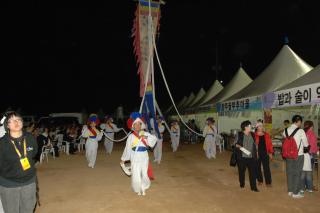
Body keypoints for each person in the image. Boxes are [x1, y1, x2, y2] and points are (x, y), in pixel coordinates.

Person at [0, 111, 38, 213]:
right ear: (7, 125)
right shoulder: (2, 143)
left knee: (28, 209)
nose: (16, 122)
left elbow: (34, 152)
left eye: (18, 119)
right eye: (12, 121)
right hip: (9, 184)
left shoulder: (30, 138)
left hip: (29, 182)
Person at [120, 112, 157, 196]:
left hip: (144, 156)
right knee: (136, 174)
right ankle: (138, 189)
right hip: (135, 156)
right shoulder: (131, 136)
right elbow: (127, 149)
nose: (137, 126)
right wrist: (123, 159)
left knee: (144, 173)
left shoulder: (145, 133)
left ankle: (143, 187)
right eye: (135, 124)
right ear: (132, 126)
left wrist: (146, 137)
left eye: (139, 124)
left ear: (141, 125)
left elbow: (154, 139)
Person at [283, 115, 309, 198]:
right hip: (298, 155)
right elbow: (306, 144)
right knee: (297, 173)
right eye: (300, 122)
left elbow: (286, 140)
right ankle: (295, 192)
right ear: (299, 121)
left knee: (289, 172)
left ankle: (290, 191)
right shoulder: (301, 131)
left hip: (288, 155)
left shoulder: (286, 130)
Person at [235, 120, 259, 192]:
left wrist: (256, 152)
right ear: (245, 127)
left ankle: (253, 187)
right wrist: (241, 148)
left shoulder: (253, 134)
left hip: (251, 157)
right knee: (241, 171)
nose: (250, 127)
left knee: (253, 173)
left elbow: (255, 144)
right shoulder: (239, 134)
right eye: (249, 125)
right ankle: (242, 183)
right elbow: (235, 144)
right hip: (242, 157)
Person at [254, 120, 273, 187]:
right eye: (259, 126)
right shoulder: (254, 135)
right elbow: (253, 145)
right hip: (257, 153)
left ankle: (268, 182)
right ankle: (260, 180)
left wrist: (270, 153)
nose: (261, 127)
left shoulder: (266, 135)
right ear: (257, 127)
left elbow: (270, 144)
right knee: (257, 167)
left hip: (265, 153)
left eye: (262, 126)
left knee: (266, 168)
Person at [301, 120, 317, 193]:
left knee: (303, 171)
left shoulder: (303, 133)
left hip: (303, 154)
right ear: (311, 126)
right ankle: (309, 187)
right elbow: (313, 146)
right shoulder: (312, 134)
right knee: (309, 172)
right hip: (310, 154)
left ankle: (303, 186)